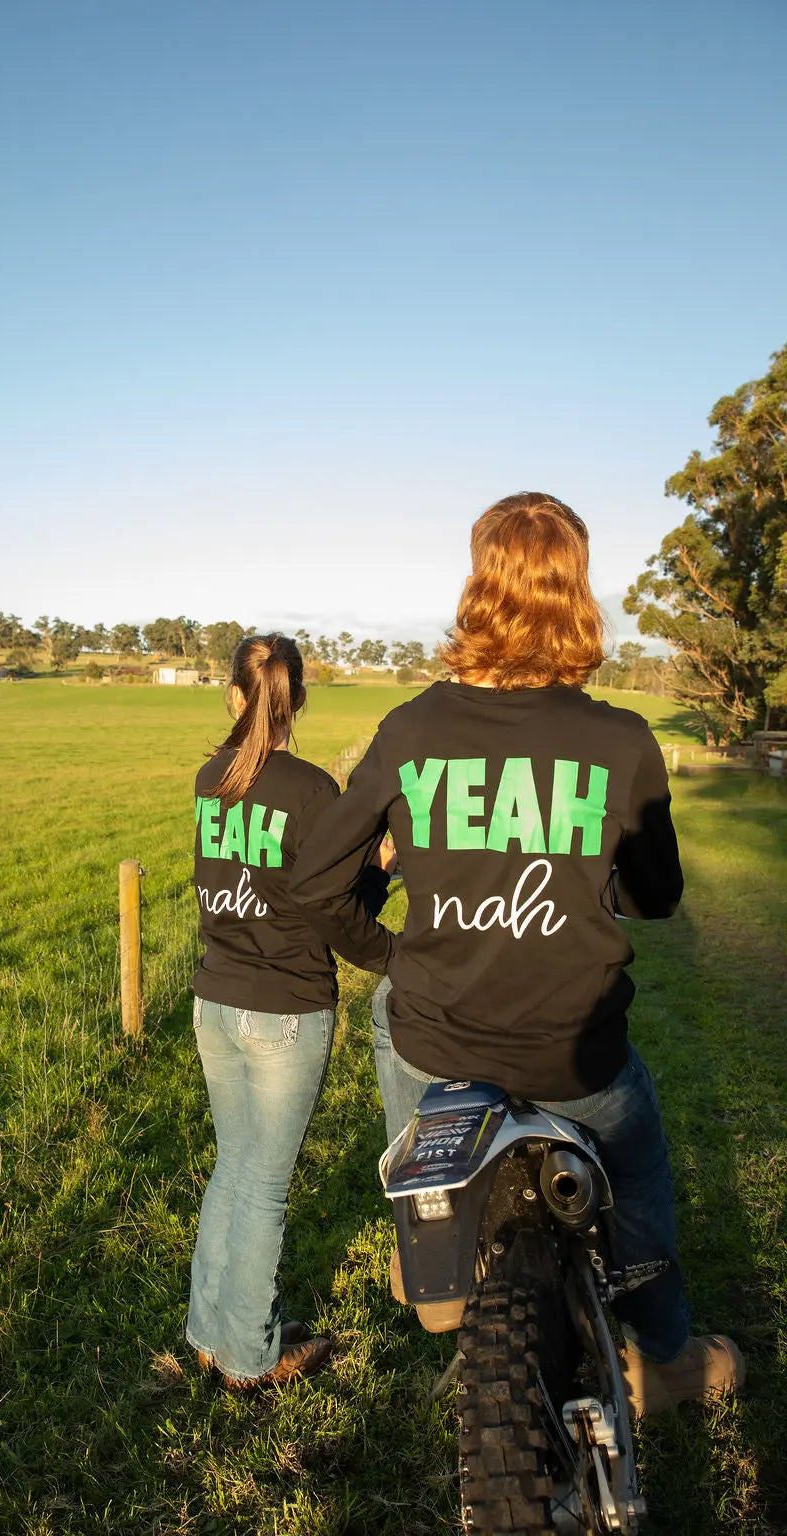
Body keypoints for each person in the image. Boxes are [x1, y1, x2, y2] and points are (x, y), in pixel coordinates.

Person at [290, 492, 743, 1415]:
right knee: (643, 1174)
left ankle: (430, 1249)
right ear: (576, 593)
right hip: (572, 1050)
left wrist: (389, 954)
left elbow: (312, 884)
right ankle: (661, 1355)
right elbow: (660, 898)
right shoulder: (619, 741)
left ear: (478, 587)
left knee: (393, 1016)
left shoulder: (412, 728)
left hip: (438, 1040)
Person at [187, 632, 396, 1389]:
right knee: (264, 1186)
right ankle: (249, 1355)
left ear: (234, 696)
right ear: (296, 700)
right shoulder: (314, 792)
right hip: (282, 1010)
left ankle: (213, 1330)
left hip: (216, 1000)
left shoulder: (211, 779)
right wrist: (385, 901)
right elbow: (333, 909)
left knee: (233, 1167)